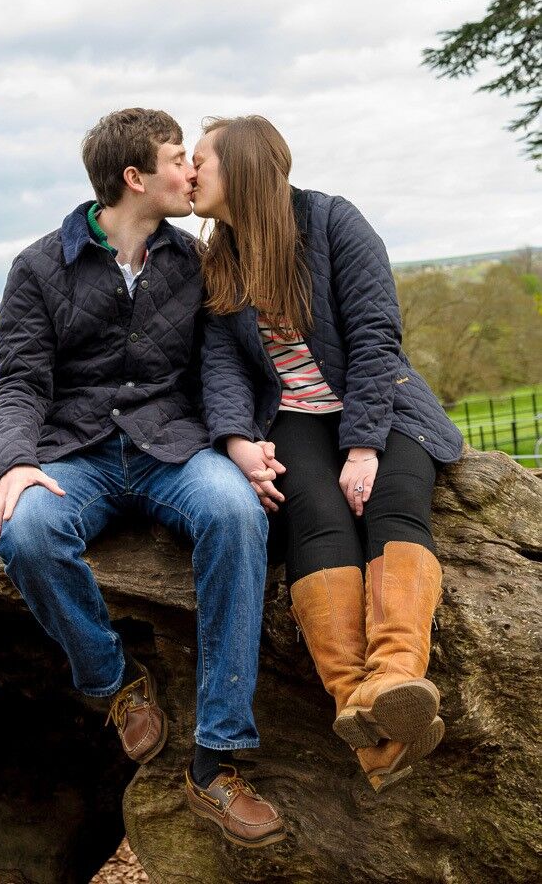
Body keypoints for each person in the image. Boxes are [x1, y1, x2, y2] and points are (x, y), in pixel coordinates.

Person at [0, 108, 285, 847]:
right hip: (76, 453)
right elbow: (19, 380)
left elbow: (217, 367)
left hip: (171, 448)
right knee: (25, 532)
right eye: (180, 158)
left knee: (238, 514)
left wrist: (238, 443)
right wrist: (14, 463)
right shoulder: (38, 267)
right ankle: (115, 684)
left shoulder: (195, 262)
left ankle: (215, 760)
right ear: (135, 177)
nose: (192, 172)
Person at [194, 115, 464, 792]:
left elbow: (375, 336)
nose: (189, 174)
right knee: (314, 515)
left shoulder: (335, 222)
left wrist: (365, 446)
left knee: (394, 501)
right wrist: (236, 439)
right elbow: (221, 361)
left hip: (380, 401)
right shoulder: (219, 257)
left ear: (243, 168)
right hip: (291, 416)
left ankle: (393, 681)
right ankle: (362, 706)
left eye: (200, 161)